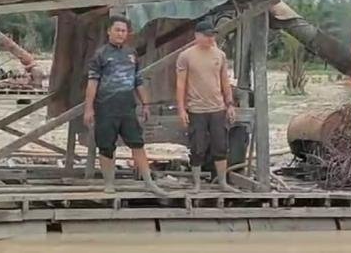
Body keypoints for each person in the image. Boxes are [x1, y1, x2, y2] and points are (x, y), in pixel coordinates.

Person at [84, 15, 167, 196]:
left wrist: (145, 104)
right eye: (117, 30)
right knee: (106, 147)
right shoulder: (100, 54)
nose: (121, 33)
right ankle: (109, 184)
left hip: (127, 107)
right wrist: (88, 108)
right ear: (109, 32)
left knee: (137, 143)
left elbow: (138, 81)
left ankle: (149, 182)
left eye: (124, 31)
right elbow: (92, 83)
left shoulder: (131, 54)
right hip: (105, 108)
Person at [176, 20, 240, 193]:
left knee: (220, 146)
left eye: (212, 35)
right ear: (197, 35)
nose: (210, 38)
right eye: (207, 35)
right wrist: (181, 109)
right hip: (196, 109)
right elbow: (181, 84)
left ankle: (222, 182)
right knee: (197, 147)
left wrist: (230, 104)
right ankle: (197, 184)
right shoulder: (186, 56)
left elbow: (225, 82)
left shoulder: (220, 55)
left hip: (217, 108)